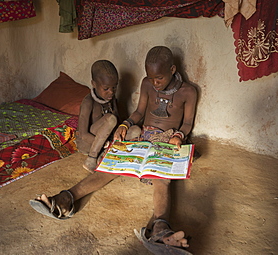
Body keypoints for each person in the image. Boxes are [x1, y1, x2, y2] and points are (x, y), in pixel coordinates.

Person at [30, 46, 197, 254]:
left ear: (173, 69)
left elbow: (188, 123)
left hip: (168, 140)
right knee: (112, 164)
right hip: (144, 137)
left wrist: (178, 136)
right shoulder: (147, 84)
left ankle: (161, 229)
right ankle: (66, 199)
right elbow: (138, 112)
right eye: (151, 78)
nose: (155, 83)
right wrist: (125, 125)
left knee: (161, 177)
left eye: (160, 78)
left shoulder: (188, 92)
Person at [75, 59, 120, 172]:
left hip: (106, 140)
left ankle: (105, 154)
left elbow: (118, 119)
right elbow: (83, 134)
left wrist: (122, 130)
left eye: (114, 87)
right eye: (106, 88)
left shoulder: (111, 98)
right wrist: (106, 144)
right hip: (88, 143)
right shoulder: (88, 101)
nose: (111, 92)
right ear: (94, 84)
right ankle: (91, 159)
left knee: (134, 130)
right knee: (110, 119)